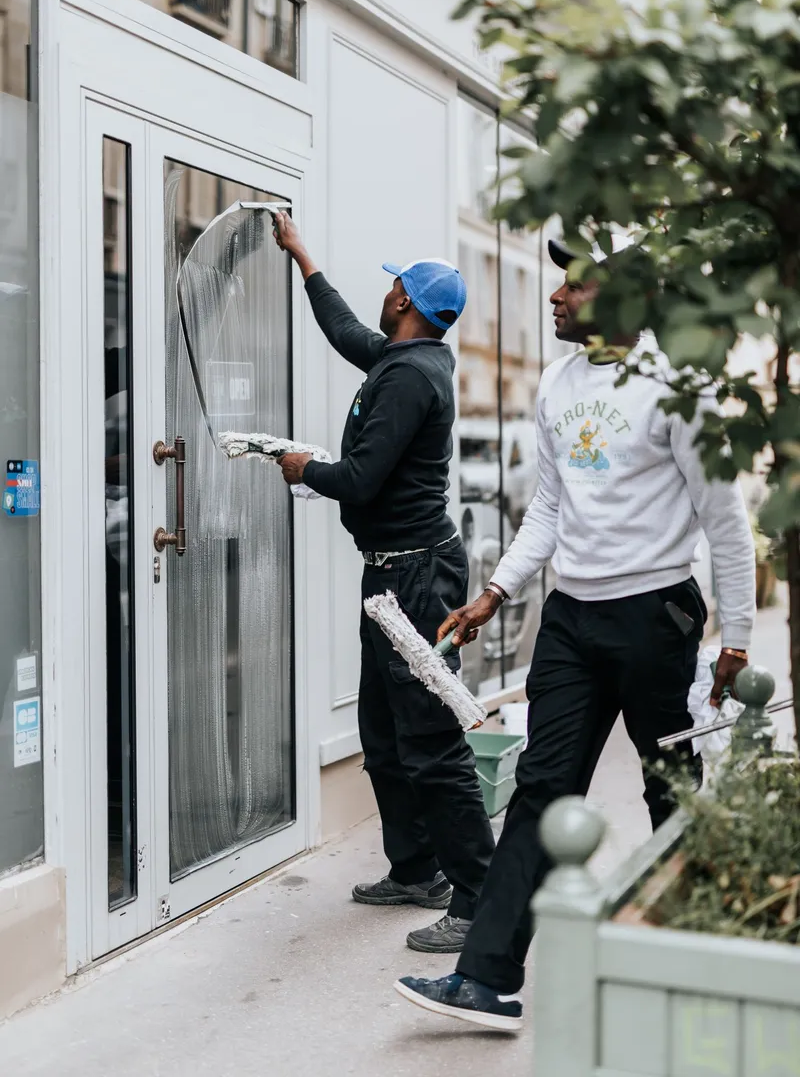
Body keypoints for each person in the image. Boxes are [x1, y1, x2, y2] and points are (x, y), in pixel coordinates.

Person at [394, 238, 756, 1030]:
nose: (557, 299)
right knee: (539, 790)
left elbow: (724, 520)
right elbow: (550, 509)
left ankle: (698, 967)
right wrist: (496, 590)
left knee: (671, 796)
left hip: (656, 617)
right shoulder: (557, 383)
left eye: (577, 289)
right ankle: (485, 978)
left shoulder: (677, 388)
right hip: (571, 619)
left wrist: (737, 639)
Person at [271, 212, 495, 953]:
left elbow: (362, 481)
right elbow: (346, 335)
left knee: (430, 741)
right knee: (384, 731)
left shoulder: (408, 378)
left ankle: (477, 899)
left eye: (394, 282)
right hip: (395, 578)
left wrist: (306, 470)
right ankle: (416, 870)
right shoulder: (409, 361)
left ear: (403, 301)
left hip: (416, 582)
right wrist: (304, 257)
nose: (387, 290)